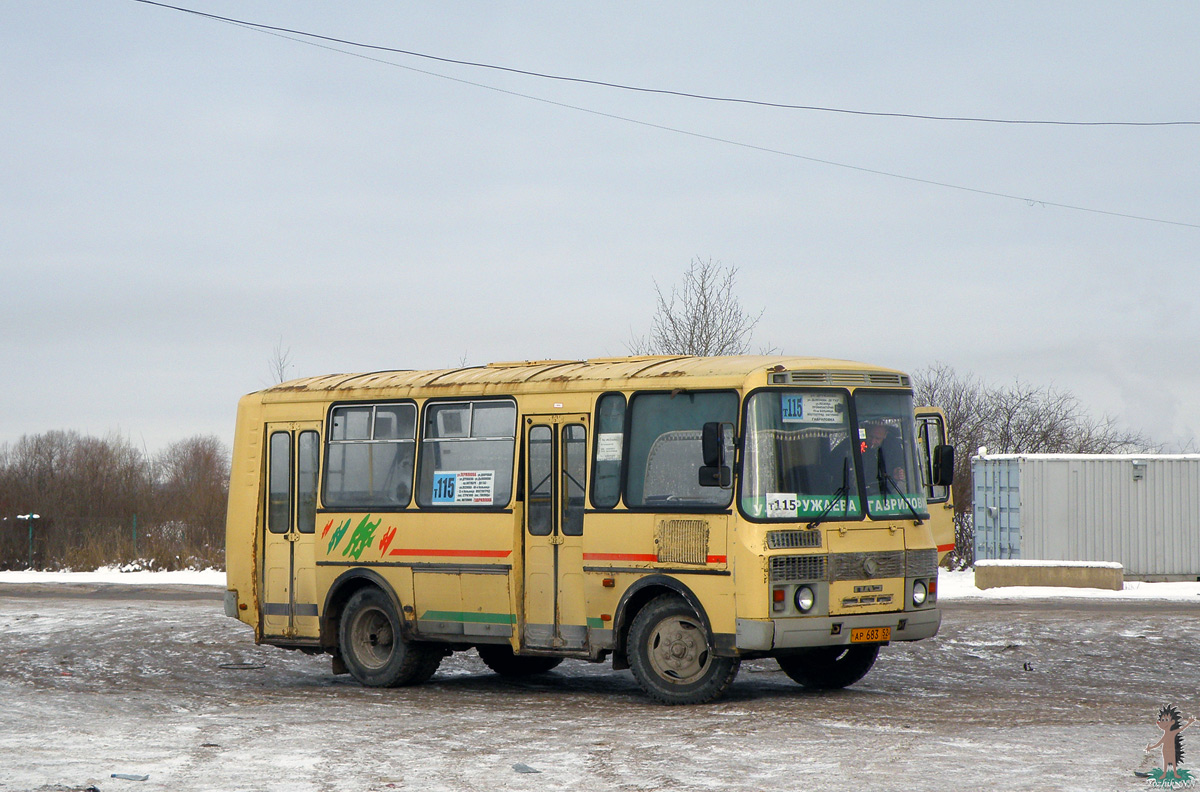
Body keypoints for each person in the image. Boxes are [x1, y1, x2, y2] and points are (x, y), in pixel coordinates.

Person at [861, 421, 906, 490]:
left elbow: (900, 466)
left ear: (885, 435)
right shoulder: (854, 445)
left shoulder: (894, 448)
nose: (873, 441)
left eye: (877, 438)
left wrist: (896, 473)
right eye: (870, 436)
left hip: (886, 492)